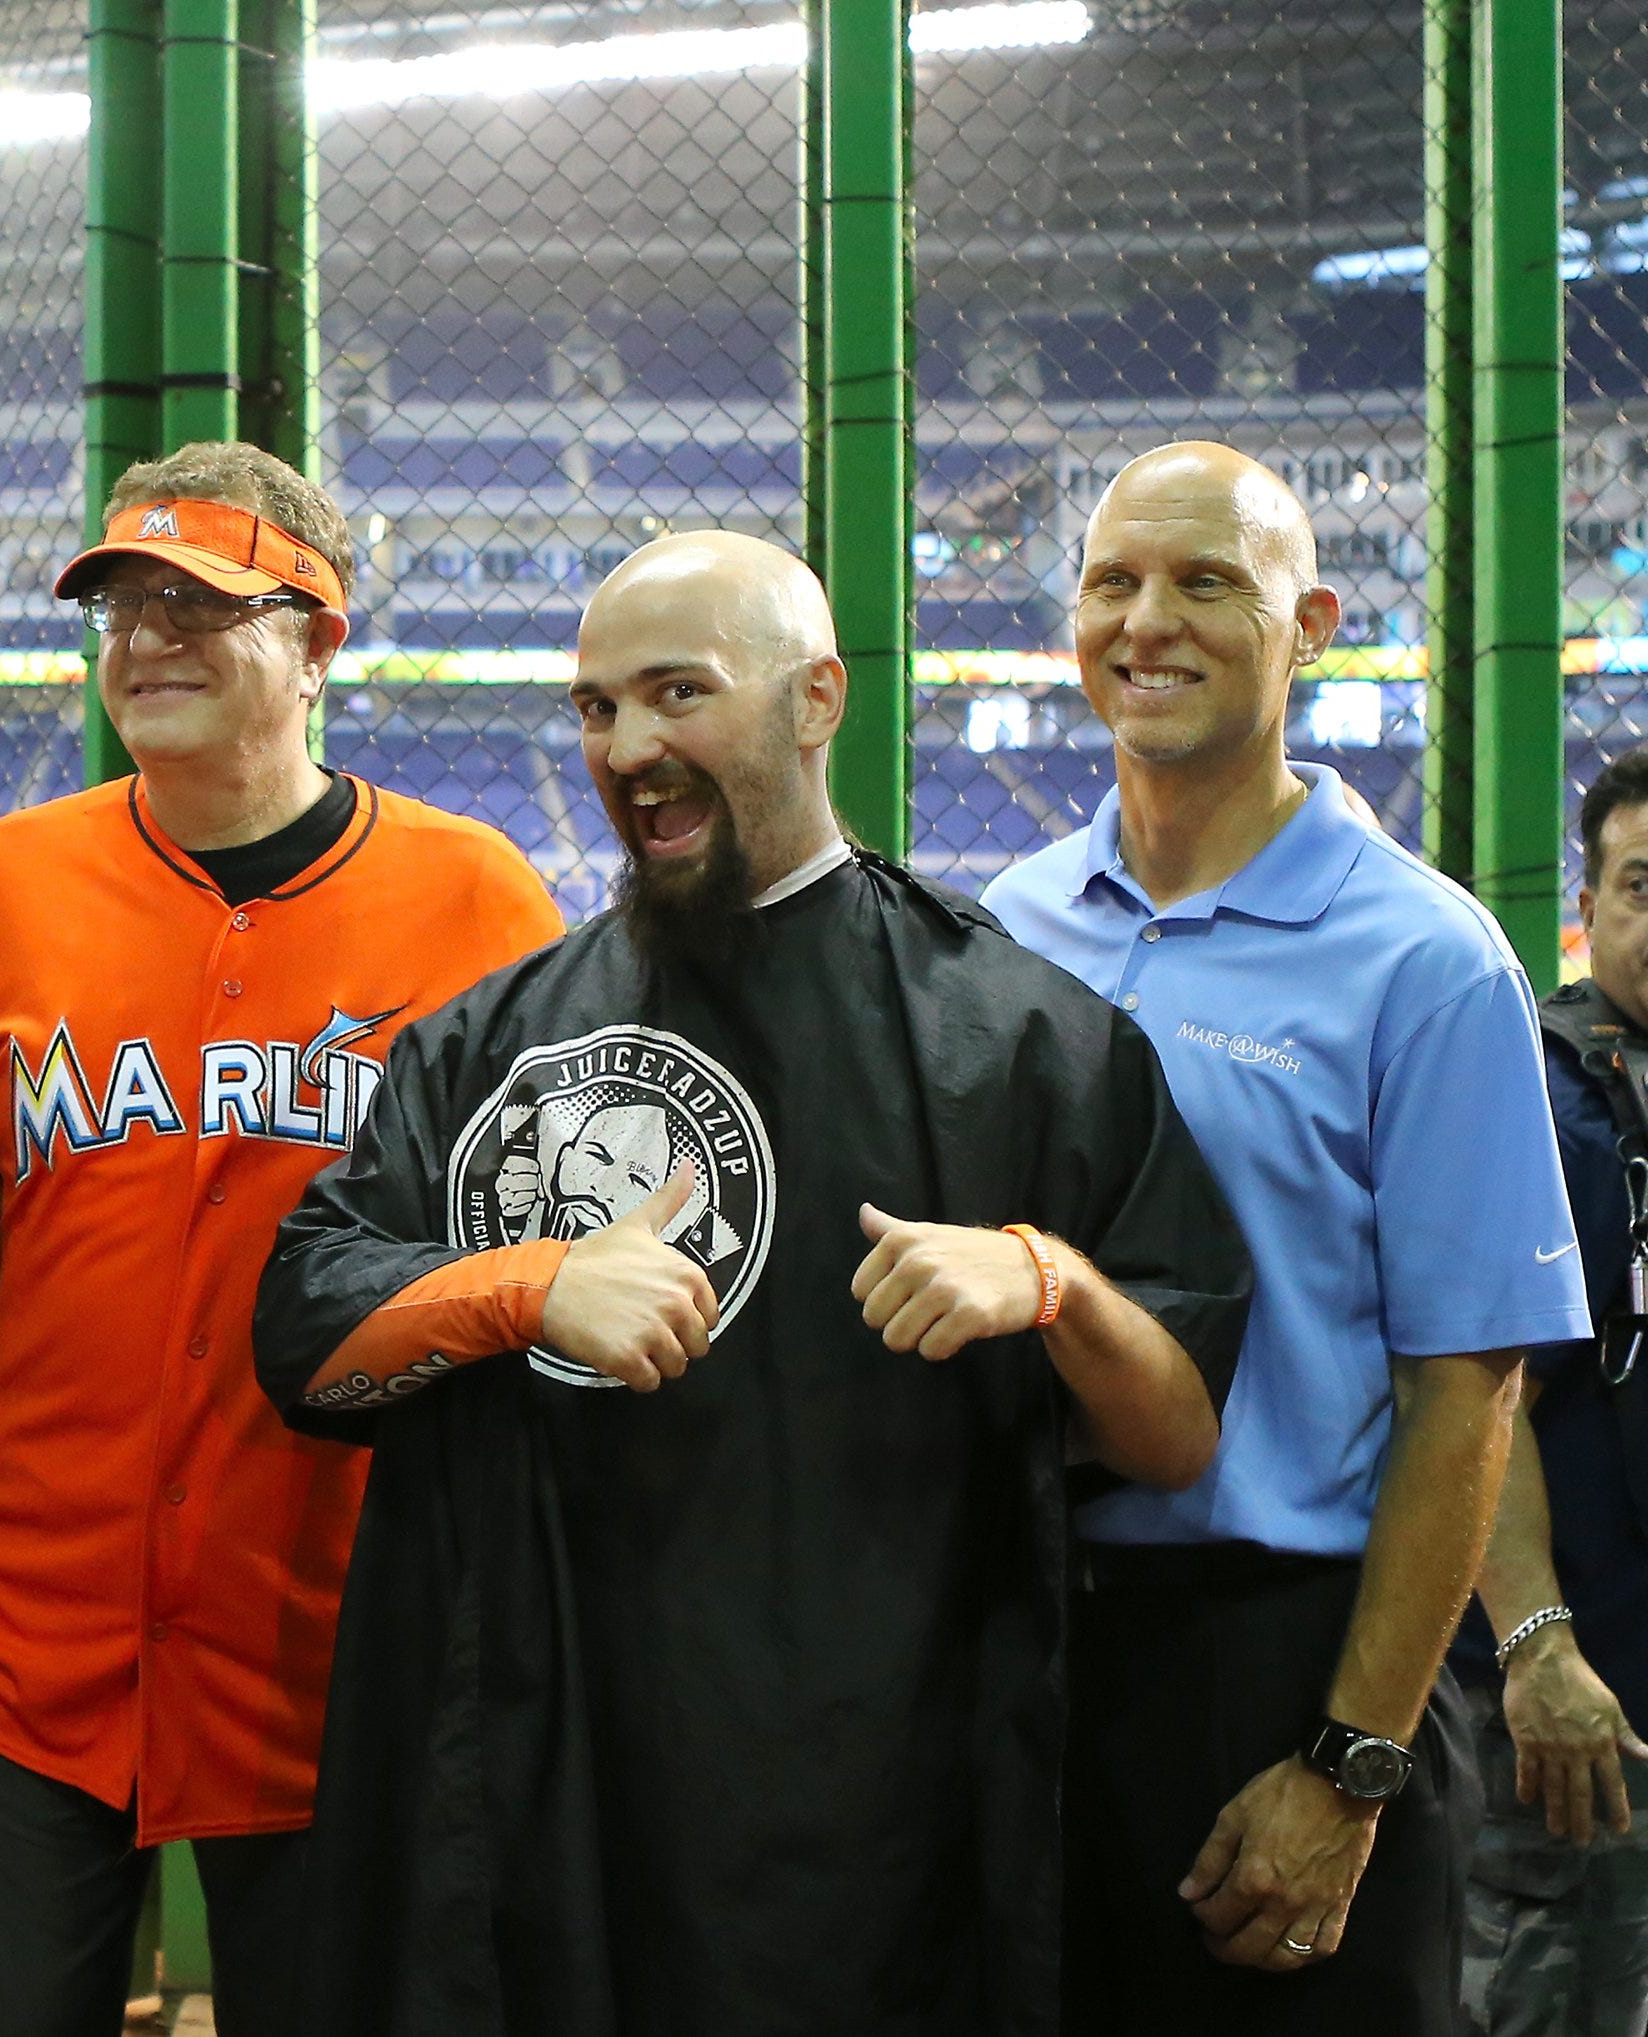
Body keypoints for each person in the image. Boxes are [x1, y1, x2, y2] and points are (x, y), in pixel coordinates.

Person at [250, 529, 1251, 2034]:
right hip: (542, 1813)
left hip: (866, 1849)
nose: (629, 748)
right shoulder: (489, 1040)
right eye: (596, 709)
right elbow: (299, 1340)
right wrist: (524, 1286)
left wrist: (1055, 1282)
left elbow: (1178, 1436)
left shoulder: (1021, 1041)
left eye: (677, 695)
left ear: (816, 700)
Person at [0, 443, 563, 2036]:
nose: (148, 637)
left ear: (322, 644)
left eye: (204, 604)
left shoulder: (480, 900)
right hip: (42, 1598)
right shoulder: (7, 880)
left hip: (330, 1612)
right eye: (124, 600)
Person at [983, 441, 1588, 2033]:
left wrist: (1352, 1761)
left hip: (1296, 1659)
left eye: (1204, 582)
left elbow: (1468, 1397)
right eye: (1112, 581)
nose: (1146, 621)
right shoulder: (1009, 924)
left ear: (1309, 620)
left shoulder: (1427, 959)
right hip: (1037, 1652)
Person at [1450, 747, 1648, 2034]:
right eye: (1643, 885)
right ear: (1592, 908)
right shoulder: (1550, 1101)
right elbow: (1478, 1387)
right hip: (1584, 1719)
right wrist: (1539, 1646)